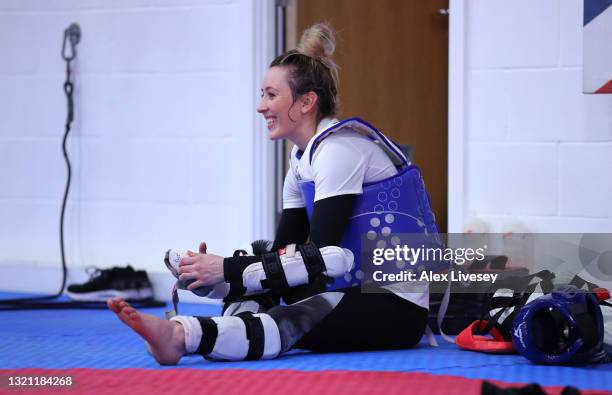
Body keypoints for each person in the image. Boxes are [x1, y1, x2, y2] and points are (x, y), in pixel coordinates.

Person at [108, 23, 429, 365]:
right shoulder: (300, 161)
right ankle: (204, 330)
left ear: (307, 102)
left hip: (396, 306)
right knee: (263, 287)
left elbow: (321, 257)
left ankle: (182, 335)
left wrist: (228, 270)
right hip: (345, 287)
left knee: (292, 317)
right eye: (262, 94)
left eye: (271, 95)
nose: (261, 106)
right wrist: (214, 277)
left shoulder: (340, 150)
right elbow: (284, 253)